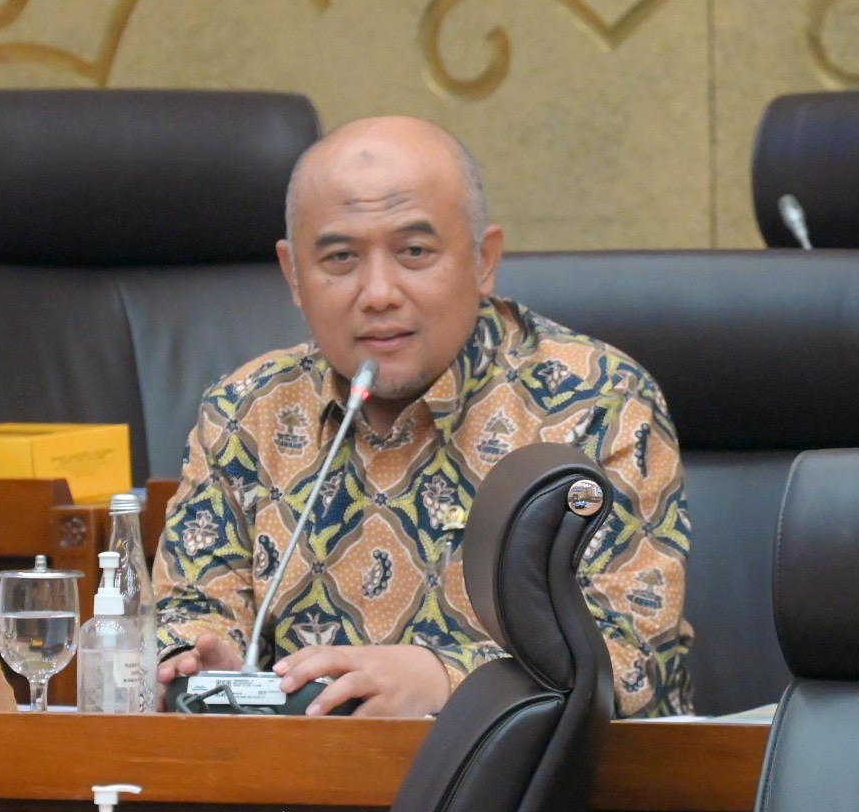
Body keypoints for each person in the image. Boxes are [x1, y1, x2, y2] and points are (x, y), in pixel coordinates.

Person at [154, 115, 691, 718]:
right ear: (294, 276)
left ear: (484, 260)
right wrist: (204, 662)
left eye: (414, 252)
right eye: (340, 257)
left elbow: (634, 658)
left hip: (545, 775)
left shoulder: (598, 402)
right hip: (300, 770)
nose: (379, 293)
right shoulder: (246, 409)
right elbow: (188, 608)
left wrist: (446, 681)